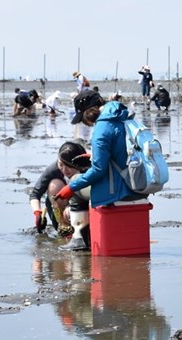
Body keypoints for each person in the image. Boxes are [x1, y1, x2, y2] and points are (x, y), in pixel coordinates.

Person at [55, 89, 146, 251]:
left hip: (120, 188)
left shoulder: (102, 128)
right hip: (138, 182)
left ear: (89, 111)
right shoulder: (121, 115)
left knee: (76, 181)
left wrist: (70, 188)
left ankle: (79, 239)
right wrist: (95, 154)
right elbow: (122, 150)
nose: (84, 123)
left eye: (82, 117)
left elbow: (98, 170)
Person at [26, 141, 91, 235]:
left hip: (83, 207)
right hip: (62, 207)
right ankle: (64, 228)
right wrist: (37, 213)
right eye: (61, 164)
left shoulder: (88, 168)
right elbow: (35, 194)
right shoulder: (54, 169)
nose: (64, 170)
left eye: (68, 166)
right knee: (54, 185)